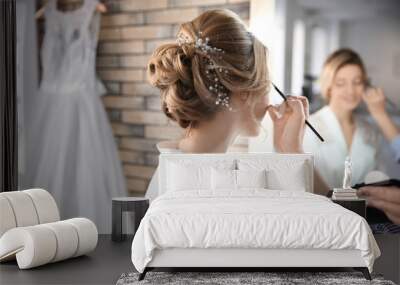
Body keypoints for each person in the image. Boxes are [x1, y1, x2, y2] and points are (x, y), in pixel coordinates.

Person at [144, 9, 311, 201]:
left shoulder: (182, 168)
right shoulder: (207, 186)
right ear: (243, 92)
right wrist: (294, 153)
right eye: (267, 82)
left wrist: (289, 151)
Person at [303, 48, 400, 190]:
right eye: (341, 83)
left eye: (357, 82)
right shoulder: (309, 128)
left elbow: (379, 181)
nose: (350, 91)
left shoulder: (370, 130)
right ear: (329, 86)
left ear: (365, 85)